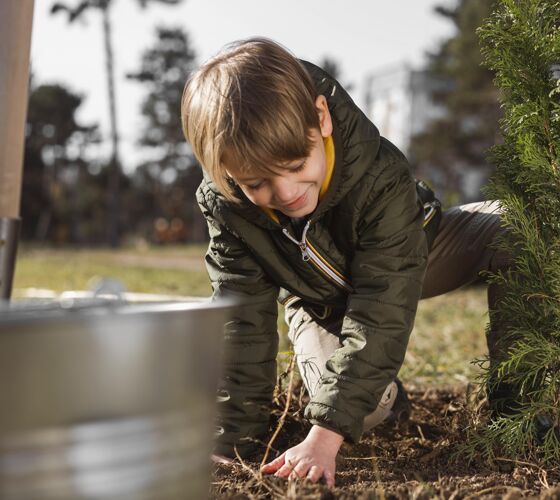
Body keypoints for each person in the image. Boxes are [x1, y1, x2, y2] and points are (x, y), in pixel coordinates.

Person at [181, 37, 509, 488]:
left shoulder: (377, 173)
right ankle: (388, 401)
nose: (285, 192)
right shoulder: (229, 206)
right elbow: (242, 319)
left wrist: (325, 436)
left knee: (519, 228)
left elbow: (383, 304)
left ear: (321, 118)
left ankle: (522, 416)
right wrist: (235, 439)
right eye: (257, 182)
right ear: (226, 172)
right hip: (317, 297)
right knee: (361, 409)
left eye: (295, 163)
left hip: (419, 251)